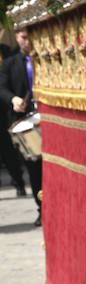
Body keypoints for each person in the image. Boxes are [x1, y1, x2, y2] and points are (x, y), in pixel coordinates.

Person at [0, 29, 41, 225]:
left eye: (30, 37)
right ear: (16, 37)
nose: (28, 41)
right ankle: (42, 208)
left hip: (47, 117)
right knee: (33, 167)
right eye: (24, 38)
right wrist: (13, 99)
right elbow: (2, 87)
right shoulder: (10, 63)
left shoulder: (44, 58)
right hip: (25, 119)